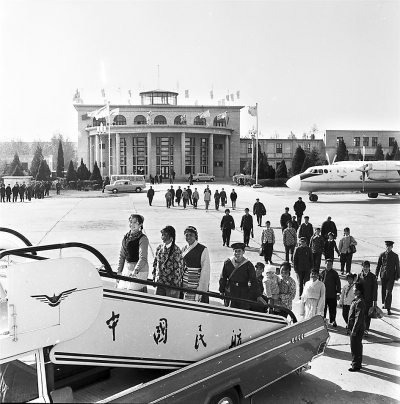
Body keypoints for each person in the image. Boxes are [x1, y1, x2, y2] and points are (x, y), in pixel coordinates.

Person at [219, 242, 266, 310]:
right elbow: (223, 277)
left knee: (243, 311)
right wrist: (221, 290)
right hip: (230, 290)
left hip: (243, 291)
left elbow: (253, 281)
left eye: (239, 251)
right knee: (230, 311)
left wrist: (258, 296)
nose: (237, 253)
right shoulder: (228, 262)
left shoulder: (248, 265)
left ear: (243, 252)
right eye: (235, 251)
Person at [117, 214, 149, 292]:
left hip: (139, 269)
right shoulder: (126, 237)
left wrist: (135, 271)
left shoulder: (143, 238)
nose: (132, 224)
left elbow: (143, 258)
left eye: (135, 222)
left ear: (140, 225)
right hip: (128, 268)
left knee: (133, 292)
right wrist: (119, 271)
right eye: (131, 222)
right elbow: (122, 255)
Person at [152, 226, 184, 298]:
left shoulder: (176, 251)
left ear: (171, 237)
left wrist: (175, 286)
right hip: (159, 283)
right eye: (162, 235)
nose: (163, 237)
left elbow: (178, 269)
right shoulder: (159, 248)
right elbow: (155, 264)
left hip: (171, 286)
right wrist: (154, 278)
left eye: (166, 235)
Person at [181, 226, 211, 302]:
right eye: (186, 235)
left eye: (191, 235)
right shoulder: (184, 248)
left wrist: (202, 287)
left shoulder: (202, 249)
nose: (188, 237)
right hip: (185, 280)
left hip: (196, 281)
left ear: (196, 236)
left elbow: (205, 269)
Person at [375, 240, 400, 316]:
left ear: (392, 247)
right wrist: (376, 274)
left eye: (389, 246)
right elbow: (379, 265)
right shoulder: (382, 255)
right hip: (383, 275)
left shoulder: (395, 256)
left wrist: (398, 276)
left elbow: (398, 267)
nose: (388, 247)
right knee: (383, 291)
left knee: (388, 292)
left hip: (391, 276)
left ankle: (388, 308)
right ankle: (384, 303)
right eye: (386, 246)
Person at [348, 282, 366, 372]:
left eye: (355, 289)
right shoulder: (357, 300)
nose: (353, 290)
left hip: (357, 328)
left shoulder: (360, 302)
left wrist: (354, 330)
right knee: (356, 345)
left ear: (359, 291)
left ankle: (356, 365)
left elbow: (358, 318)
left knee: (355, 346)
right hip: (355, 327)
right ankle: (357, 362)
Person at [356, 260, 378, 335]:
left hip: (369, 299)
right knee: (361, 313)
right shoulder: (360, 275)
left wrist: (375, 301)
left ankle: (366, 329)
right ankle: (361, 327)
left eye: (367, 267)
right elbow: (357, 287)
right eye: (364, 267)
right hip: (361, 298)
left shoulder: (373, 277)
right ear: (362, 267)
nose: (365, 268)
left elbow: (375, 289)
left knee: (367, 314)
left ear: (369, 267)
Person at [320, 258, 341, 327]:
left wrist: (338, 293)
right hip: (324, 295)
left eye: (330, 264)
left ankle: (333, 320)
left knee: (332, 309)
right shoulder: (322, 273)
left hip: (332, 295)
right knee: (323, 309)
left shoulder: (335, 273)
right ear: (325, 264)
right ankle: (323, 321)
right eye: (327, 264)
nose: (329, 265)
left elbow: (338, 283)